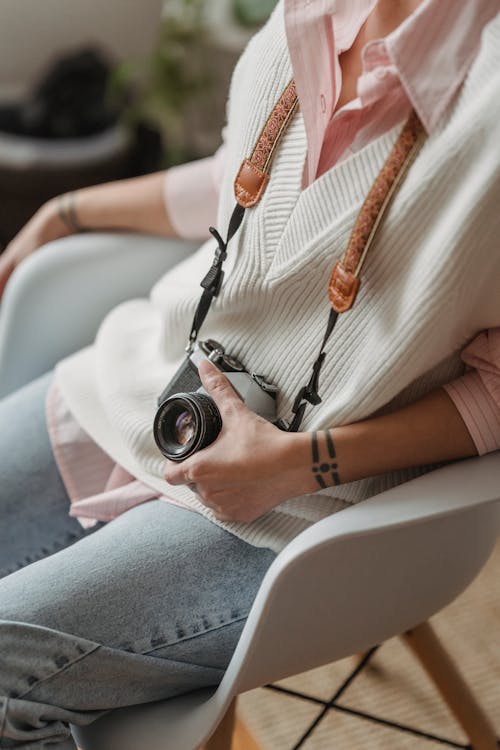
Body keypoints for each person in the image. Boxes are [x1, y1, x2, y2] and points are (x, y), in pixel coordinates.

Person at [1, 0, 500, 747]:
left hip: (302, 516)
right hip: (146, 386)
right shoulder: (317, 11)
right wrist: (65, 212)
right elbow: (246, 174)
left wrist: (300, 465)